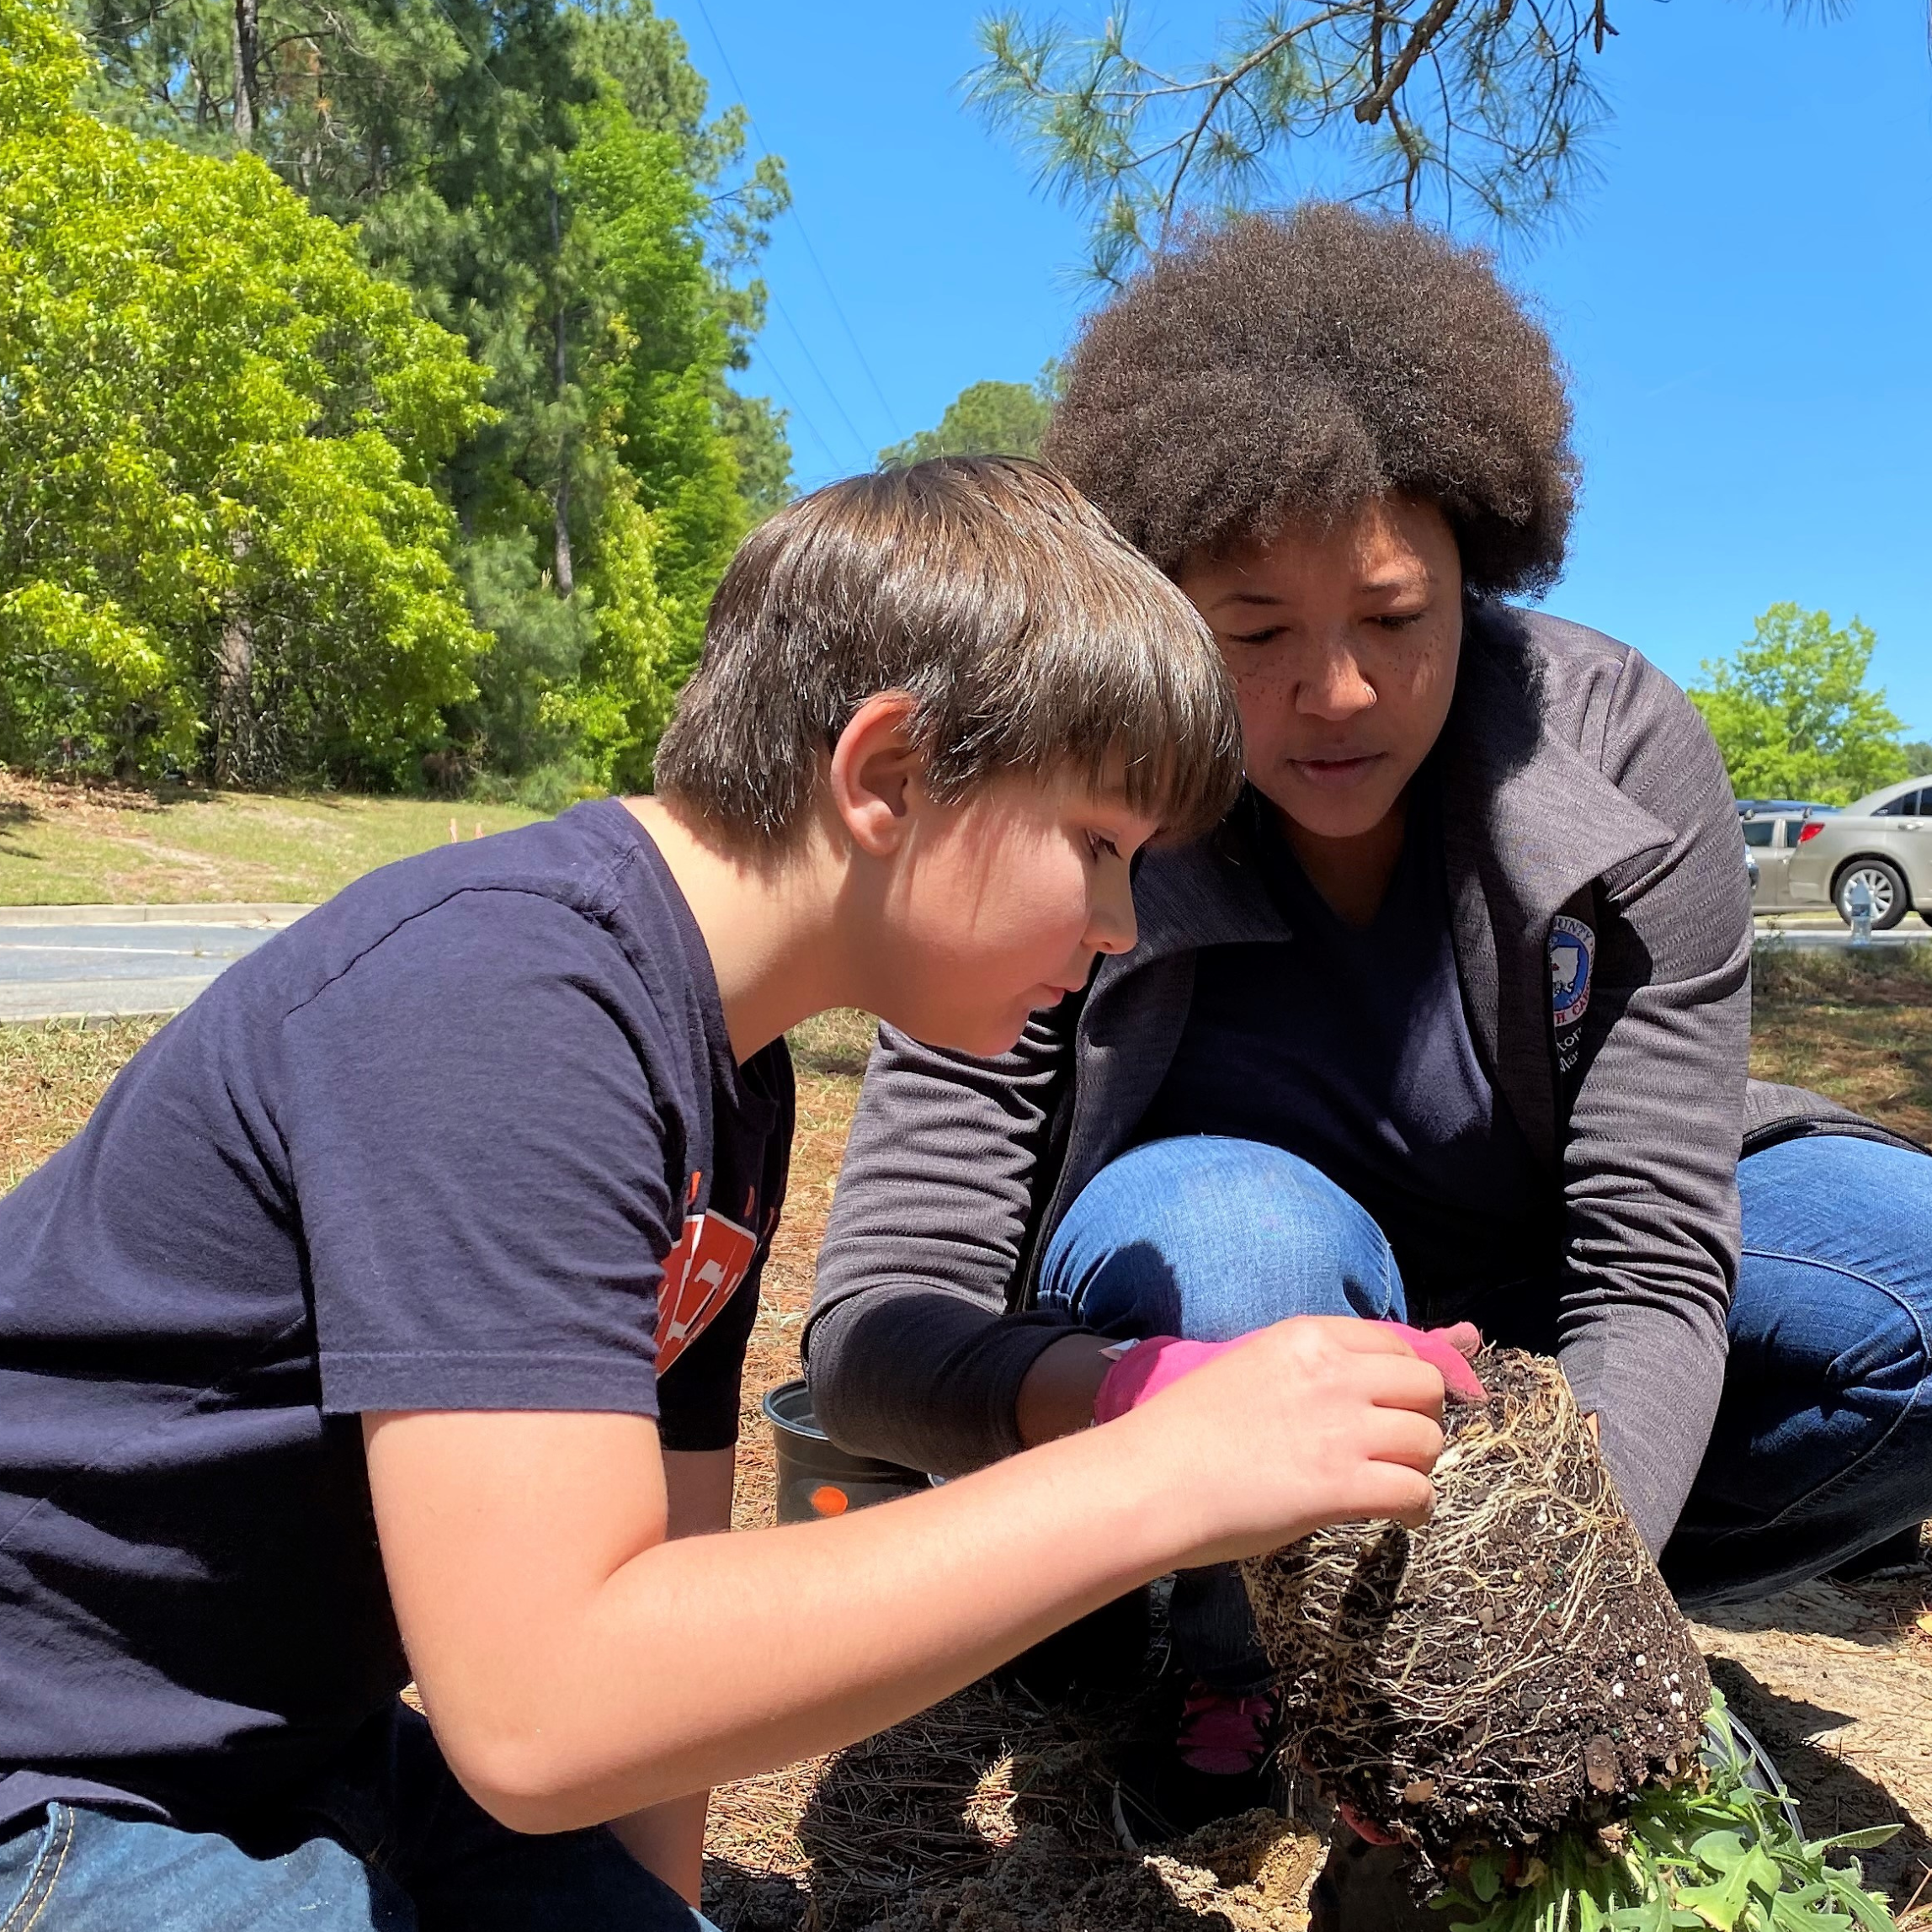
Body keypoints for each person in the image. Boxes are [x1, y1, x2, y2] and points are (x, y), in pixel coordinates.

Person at [0, 460, 1458, 1930]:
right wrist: (1161, 1474)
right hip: (48, 1786)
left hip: (267, 1749)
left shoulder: (724, 1069)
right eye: (1095, 842)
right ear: (889, 774)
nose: (1115, 925)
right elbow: (545, 1707)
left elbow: (667, 1574)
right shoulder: (509, 1002)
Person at [805, 210, 1932, 1850]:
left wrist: (1548, 1606)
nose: (1336, 690)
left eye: (1395, 618)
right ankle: (1233, 1656)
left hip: (1532, 1306)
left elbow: (1649, 1263)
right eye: (1255, 633)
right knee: (1237, 1245)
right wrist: (1165, 1403)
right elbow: (874, 1332)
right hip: (1223, 1313)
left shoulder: (1623, 746)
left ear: (1481, 563)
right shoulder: (1045, 796)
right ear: (1159, 612)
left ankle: (1515, 1634)